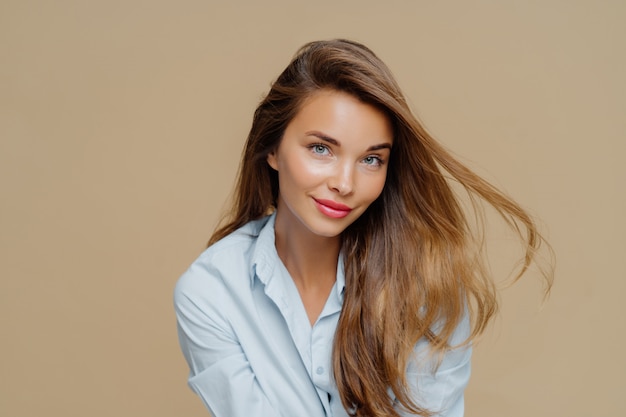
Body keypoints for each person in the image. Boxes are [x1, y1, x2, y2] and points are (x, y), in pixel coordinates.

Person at [174, 39, 553, 417]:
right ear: (272, 149)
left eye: (371, 159)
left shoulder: (428, 285)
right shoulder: (212, 292)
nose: (345, 183)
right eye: (321, 149)